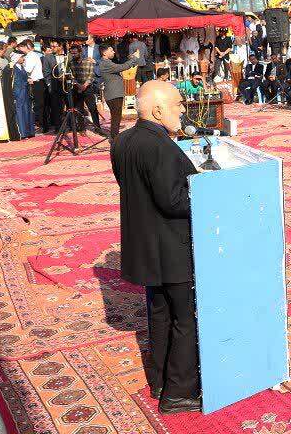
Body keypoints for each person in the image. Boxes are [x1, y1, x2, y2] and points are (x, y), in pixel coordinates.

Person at [111, 81, 200, 414]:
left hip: (147, 246)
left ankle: (160, 380)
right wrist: (207, 190)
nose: (182, 110)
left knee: (160, 315)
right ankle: (179, 392)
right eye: (178, 104)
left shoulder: (123, 141)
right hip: (172, 248)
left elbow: (138, 190)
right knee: (184, 318)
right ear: (158, 109)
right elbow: (173, 201)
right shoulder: (160, 146)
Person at [100, 44, 141, 141]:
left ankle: (114, 136)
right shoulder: (106, 63)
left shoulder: (107, 62)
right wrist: (134, 58)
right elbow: (123, 67)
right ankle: (114, 138)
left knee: (116, 116)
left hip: (114, 93)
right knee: (116, 117)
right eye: (111, 50)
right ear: (104, 53)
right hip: (114, 94)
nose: (114, 52)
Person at [69, 44, 101, 132]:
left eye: (75, 53)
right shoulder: (71, 63)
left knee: (93, 108)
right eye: (72, 53)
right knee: (79, 109)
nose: (73, 55)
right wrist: (78, 85)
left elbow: (91, 75)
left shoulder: (88, 61)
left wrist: (85, 85)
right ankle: (82, 128)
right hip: (77, 88)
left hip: (88, 88)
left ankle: (97, 127)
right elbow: (72, 76)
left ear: (80, 52)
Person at [11, 52, 35, 139]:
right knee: (20, 112)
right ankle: (22, 133)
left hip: (25, 92)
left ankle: (28, 132)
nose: (23, 59)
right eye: (21, 57)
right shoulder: (12, 68)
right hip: (18, 93)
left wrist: (28, 80)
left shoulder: (21, 67)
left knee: (27, 111)